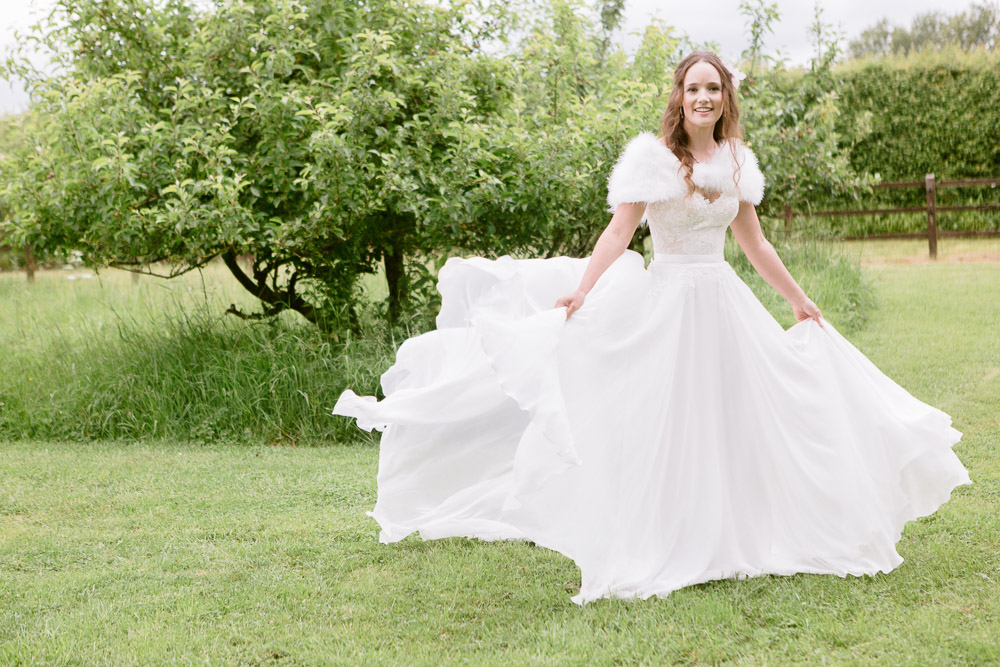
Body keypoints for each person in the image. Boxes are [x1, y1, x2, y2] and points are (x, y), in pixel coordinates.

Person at [333, 50, 971, 606]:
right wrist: (581, 290)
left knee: (737, 413)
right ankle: (658, 529)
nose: (703, 97)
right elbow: (618, 232)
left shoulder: (739, 162)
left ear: (726, 99)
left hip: (721, 301)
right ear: (680, 96)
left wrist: (799, 299)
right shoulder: (651, 159)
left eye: (713, 89)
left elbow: (754, 245)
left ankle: (734, 527)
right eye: (693, 88)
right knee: (663, 416)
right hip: (665, 301)